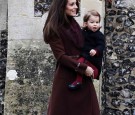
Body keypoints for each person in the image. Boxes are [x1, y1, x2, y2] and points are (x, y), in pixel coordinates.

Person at [43, 0, 100, 114]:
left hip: (82, 76)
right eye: (72, 4)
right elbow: (60, 56)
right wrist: (83, 68)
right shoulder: (53, 28)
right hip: (66, 77)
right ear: (62, 6)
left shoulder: (73, 23)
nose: (76, 7)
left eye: (76, 4)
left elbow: (84, 46)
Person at [68, 10, 105, 90]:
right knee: (76, 62)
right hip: (85, 56)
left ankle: (78, 81)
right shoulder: (83, 32)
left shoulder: (99, 35)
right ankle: (78, 80)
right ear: (85, 24)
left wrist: (96, 50)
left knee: (80, 63)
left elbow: (101, 46)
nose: (95, 24)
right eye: (92, 22)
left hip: (93, 59)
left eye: (97, 22)